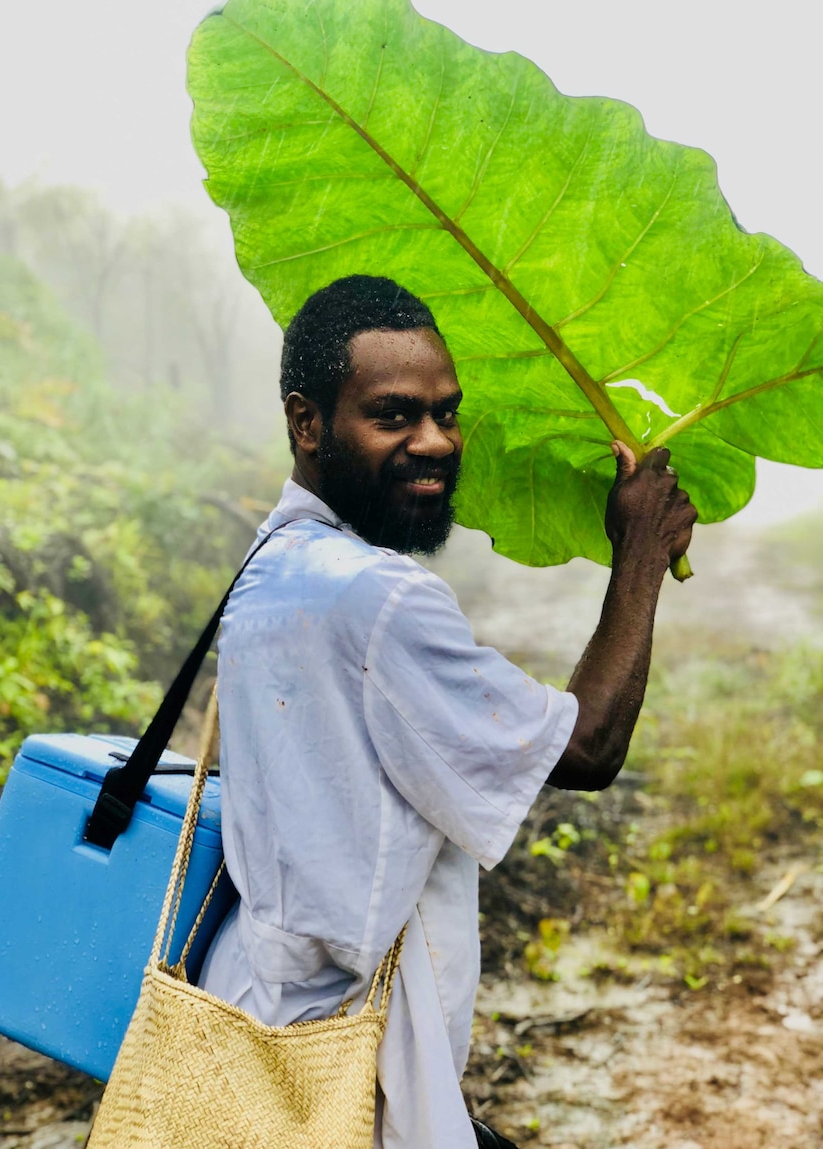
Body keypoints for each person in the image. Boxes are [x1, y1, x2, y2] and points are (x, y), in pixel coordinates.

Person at [199, 275, 697, 1149]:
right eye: (394, 415)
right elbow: (586, 747)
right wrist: (641, 557)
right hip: (340, 1050)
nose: (435, 441)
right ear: (307, 422)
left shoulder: (275, 558)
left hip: (254, 1015)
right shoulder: (379, 595)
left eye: (447, 413)